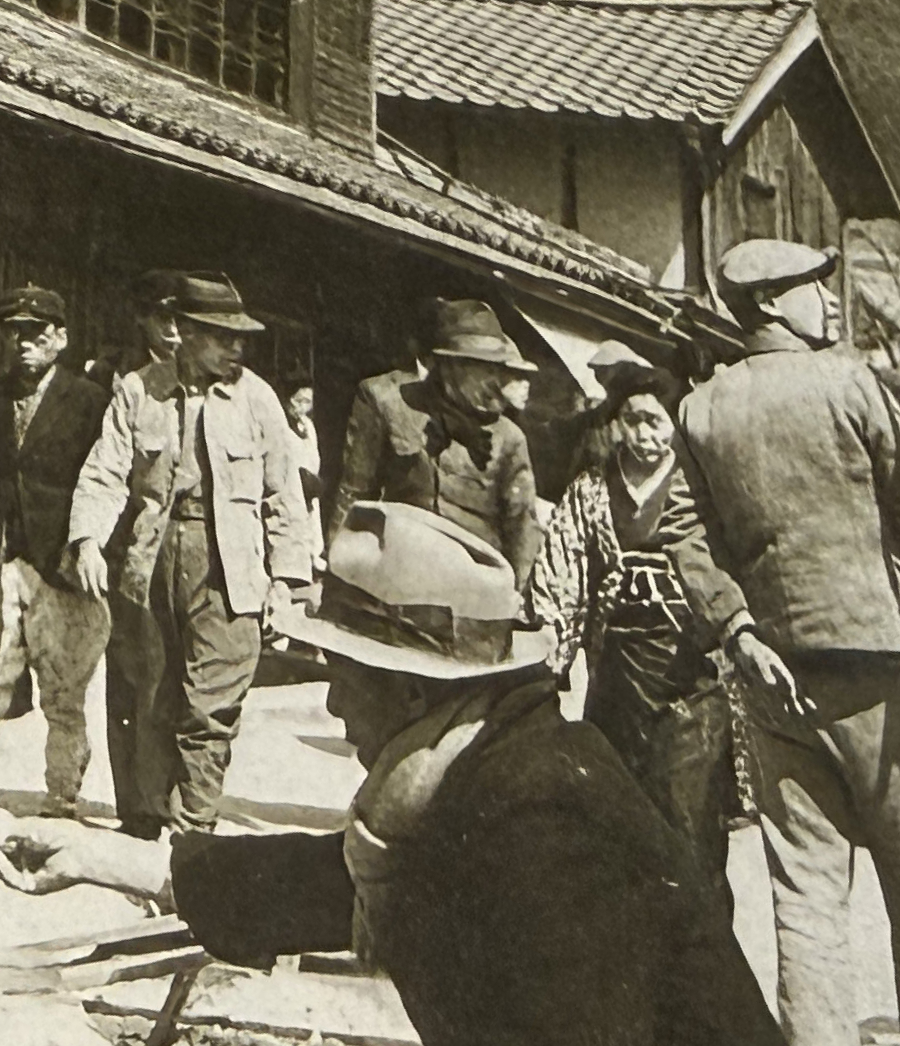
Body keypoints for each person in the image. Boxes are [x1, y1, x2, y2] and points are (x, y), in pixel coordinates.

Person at [0, 500, 785, 1046]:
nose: (331, 702)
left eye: (343, 671)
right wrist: (104, 859)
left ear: (410, 685)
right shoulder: (481, 771)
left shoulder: (539, 820)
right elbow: (330, 882)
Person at [675, 238, 900, 1046]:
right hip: (882, 666)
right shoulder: (850, 382)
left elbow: (685, 535)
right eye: (813, 286)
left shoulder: (700, 407)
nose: (828, 300)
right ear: (771, 302)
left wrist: (735, 628)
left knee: (805, 897)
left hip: (774, 674)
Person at [68, 272, 309, 836]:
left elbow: (283, 494)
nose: (237, 349)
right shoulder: (137, 389)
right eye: (223, 337)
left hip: (228, 563)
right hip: (150, 562)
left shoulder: (258, 400)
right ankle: (144, 819)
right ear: (186, 333)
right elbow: (105, 471)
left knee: (211, 703)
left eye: (241, 339)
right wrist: (87, 540)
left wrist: (286, 580)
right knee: (144, 694)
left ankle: (194, 827)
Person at [528, 340, 752, 907]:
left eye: (657, 422)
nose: (645, 436)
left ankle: (702, 962)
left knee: (691, 831)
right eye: (633, 421)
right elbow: (562, 573)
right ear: (617, 422)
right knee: (615, 820)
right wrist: (550, 656)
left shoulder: (701, 490)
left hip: (694, 686)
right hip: (618, 683)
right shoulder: (592, 491)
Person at [0, 285, 111, 817]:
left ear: (61, 338)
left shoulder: (90, 400)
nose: (24, 342)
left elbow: (105, 482)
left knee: (64, 691)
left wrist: (88, 549)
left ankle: (62, 796)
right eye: (15, 332)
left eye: (37, 332)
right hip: (1, 562)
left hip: (60, 568)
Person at [327, 298, 540, 587]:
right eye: (484, 368)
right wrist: (337, 573)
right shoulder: (386, 401)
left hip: (473, 599)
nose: (495, 380)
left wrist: (514, 598)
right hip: (397, 584)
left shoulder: (510, 439)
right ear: (450, 365)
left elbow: (522, 530)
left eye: (498, 368)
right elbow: (353, 493)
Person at [84, 269, 183, 390]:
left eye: (181, 321)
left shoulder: (191, 374)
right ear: (141, 316)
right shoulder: (109, 370)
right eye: (164, 317)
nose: (174, 329)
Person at [282, 378, 325, 574]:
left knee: (311, 522)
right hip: (289, 484)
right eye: (298, 401)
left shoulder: (308, 426)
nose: (302, 407)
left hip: (308, 484)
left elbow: (314, 456)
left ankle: (313, 558)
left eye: (307, 402)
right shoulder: (281, 426)